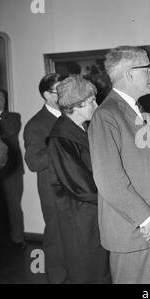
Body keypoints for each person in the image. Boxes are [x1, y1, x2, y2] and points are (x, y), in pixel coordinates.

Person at [88, 45, 150, 284]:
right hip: (136, 228)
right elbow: (108, 178)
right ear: (129, 74)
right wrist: (144, 217)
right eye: (147, 70)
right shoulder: (106, 115)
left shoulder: (137, 111)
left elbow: (147, 162)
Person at [46, 75, 111, 284]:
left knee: (100, 272)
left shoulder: (81, 129)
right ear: (77, 105)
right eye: (92, 100)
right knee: (86, 274)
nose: (96, 104)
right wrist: (116, 199)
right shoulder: (61, 137)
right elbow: (81, 186)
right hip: (80, 220)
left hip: (92, 215)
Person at [23, 74, 66, 283]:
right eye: (61, 90)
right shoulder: (35, 124)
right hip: (54, 192)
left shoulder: (73, 116)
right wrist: (60, 146)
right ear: (47, 95)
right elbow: (33, 162)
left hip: (79, 191)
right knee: (57, 241)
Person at [0, 88, 25, 249]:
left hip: (10, 170)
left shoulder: (12, 117)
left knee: (13, 205)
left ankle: (17, 239)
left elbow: (9, 131)